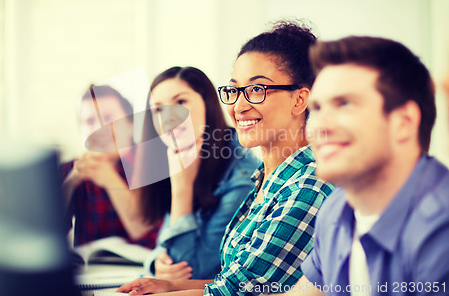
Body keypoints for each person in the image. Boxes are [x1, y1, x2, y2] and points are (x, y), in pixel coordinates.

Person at [118, 21, 335, 295]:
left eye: (257, 89)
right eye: (234, 90)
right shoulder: (266, 180)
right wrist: (168, 283)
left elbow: (239, 293)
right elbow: (236, 282)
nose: (239, 106)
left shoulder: (309, 185)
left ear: (299, 100)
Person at [273, 36, 449, 295]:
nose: (319, 126)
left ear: (404, 122)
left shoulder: (440, 228)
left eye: (344, 104)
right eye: (318, 108)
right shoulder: (336, 209)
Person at [134, 66, 259, 280]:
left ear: (207, 105)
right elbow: (165, 245)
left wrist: (181, 189)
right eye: (158, 109)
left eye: (181, 102)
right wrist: (155, 262)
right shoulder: (181, 156)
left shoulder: (242, 175)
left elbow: (192, 271)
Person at [60, 85, 159, 248]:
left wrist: (110, 180)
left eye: (108, 118)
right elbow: (42, 235)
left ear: (130, 125)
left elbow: (149, 236)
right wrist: (70, 184)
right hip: (92, 271)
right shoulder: (71, 170)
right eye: (89, 121)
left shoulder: (150, 165)